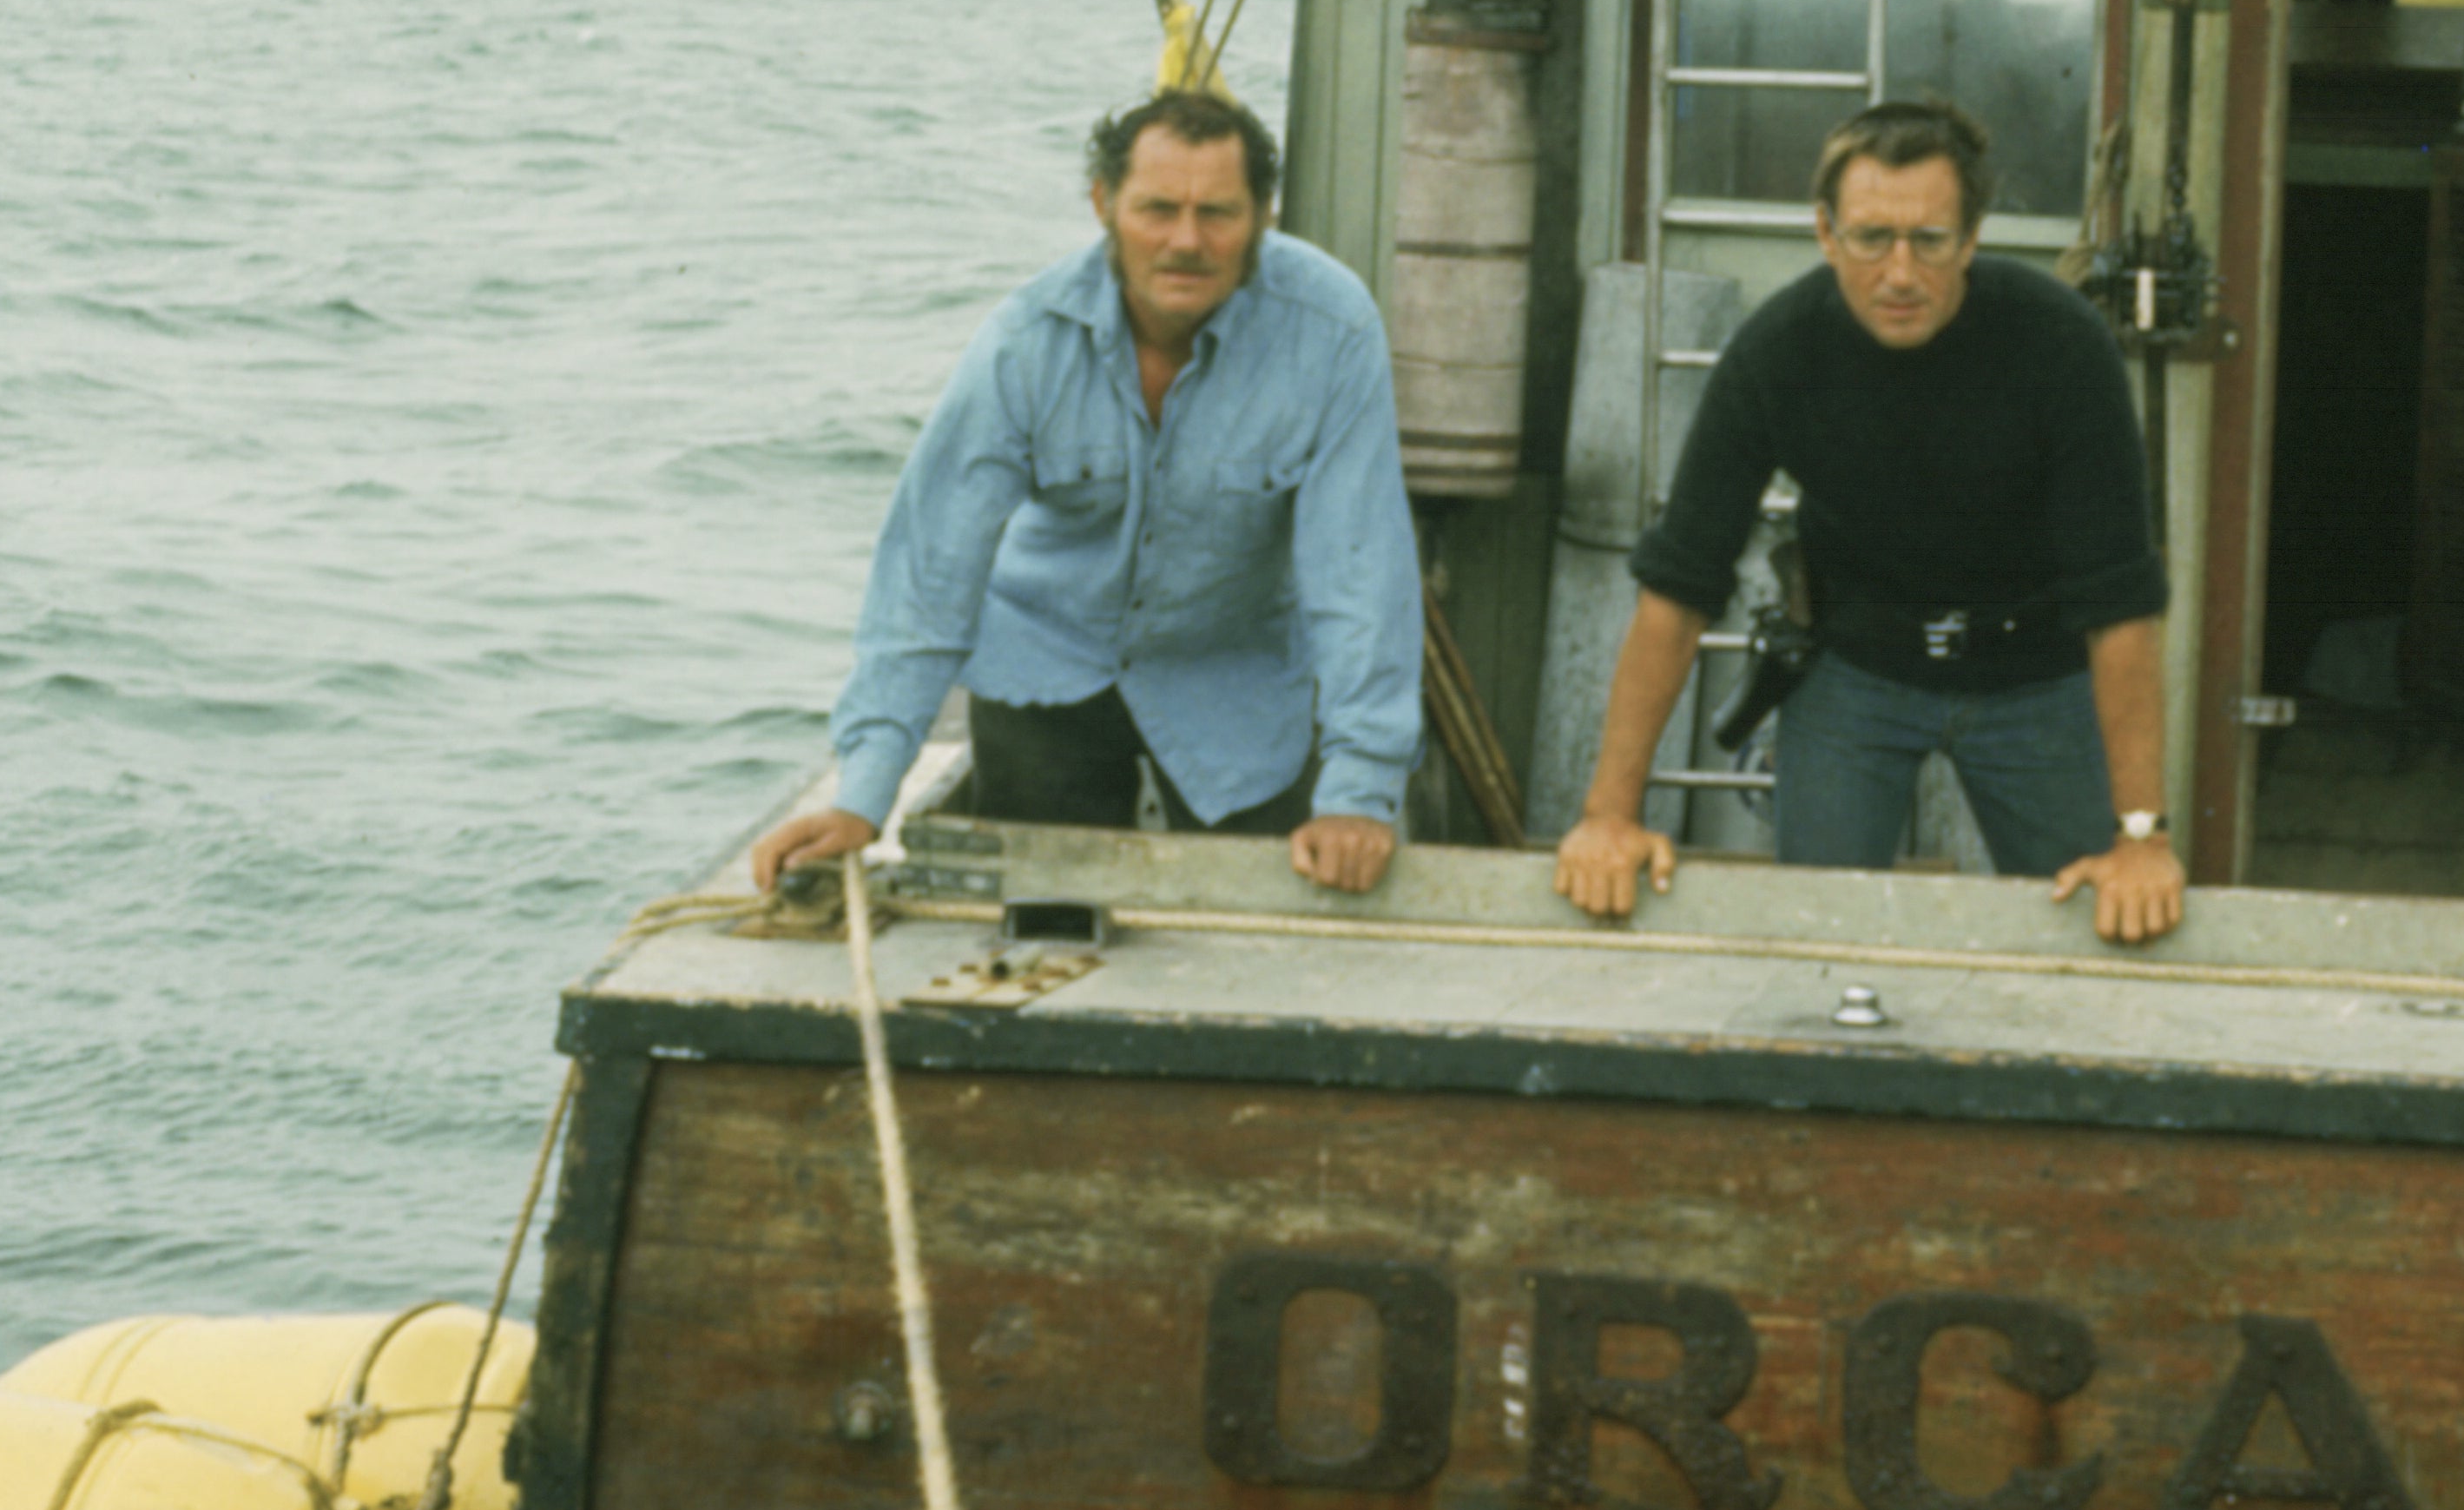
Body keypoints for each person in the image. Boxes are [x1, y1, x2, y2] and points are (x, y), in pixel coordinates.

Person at [750, 89, 1421, 895]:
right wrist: (864, 795)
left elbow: (1361, 578)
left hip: (1236, 677)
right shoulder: (1024, 342)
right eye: (1157, 209)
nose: (1186, 240)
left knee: (1264, 937)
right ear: (1103, 204)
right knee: (1041, 934)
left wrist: (1359, 792)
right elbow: (930, 573)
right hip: (1045, 666)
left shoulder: (1332, 331)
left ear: (1265, 215)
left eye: (1218, 213)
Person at [1553, 98, 2185, 944]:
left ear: (1970, 238)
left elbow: (2118, 604)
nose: (1899, 273)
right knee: (1819, 943)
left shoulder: (2060, 346)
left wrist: (2141, 837)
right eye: (1869, 238)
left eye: (1929, 241)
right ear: (1824, 234)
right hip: (1855, 671)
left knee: (2105, 929)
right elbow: (1679, 584)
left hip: (2035, 676)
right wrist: (1608, 814)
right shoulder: (1777, 353)